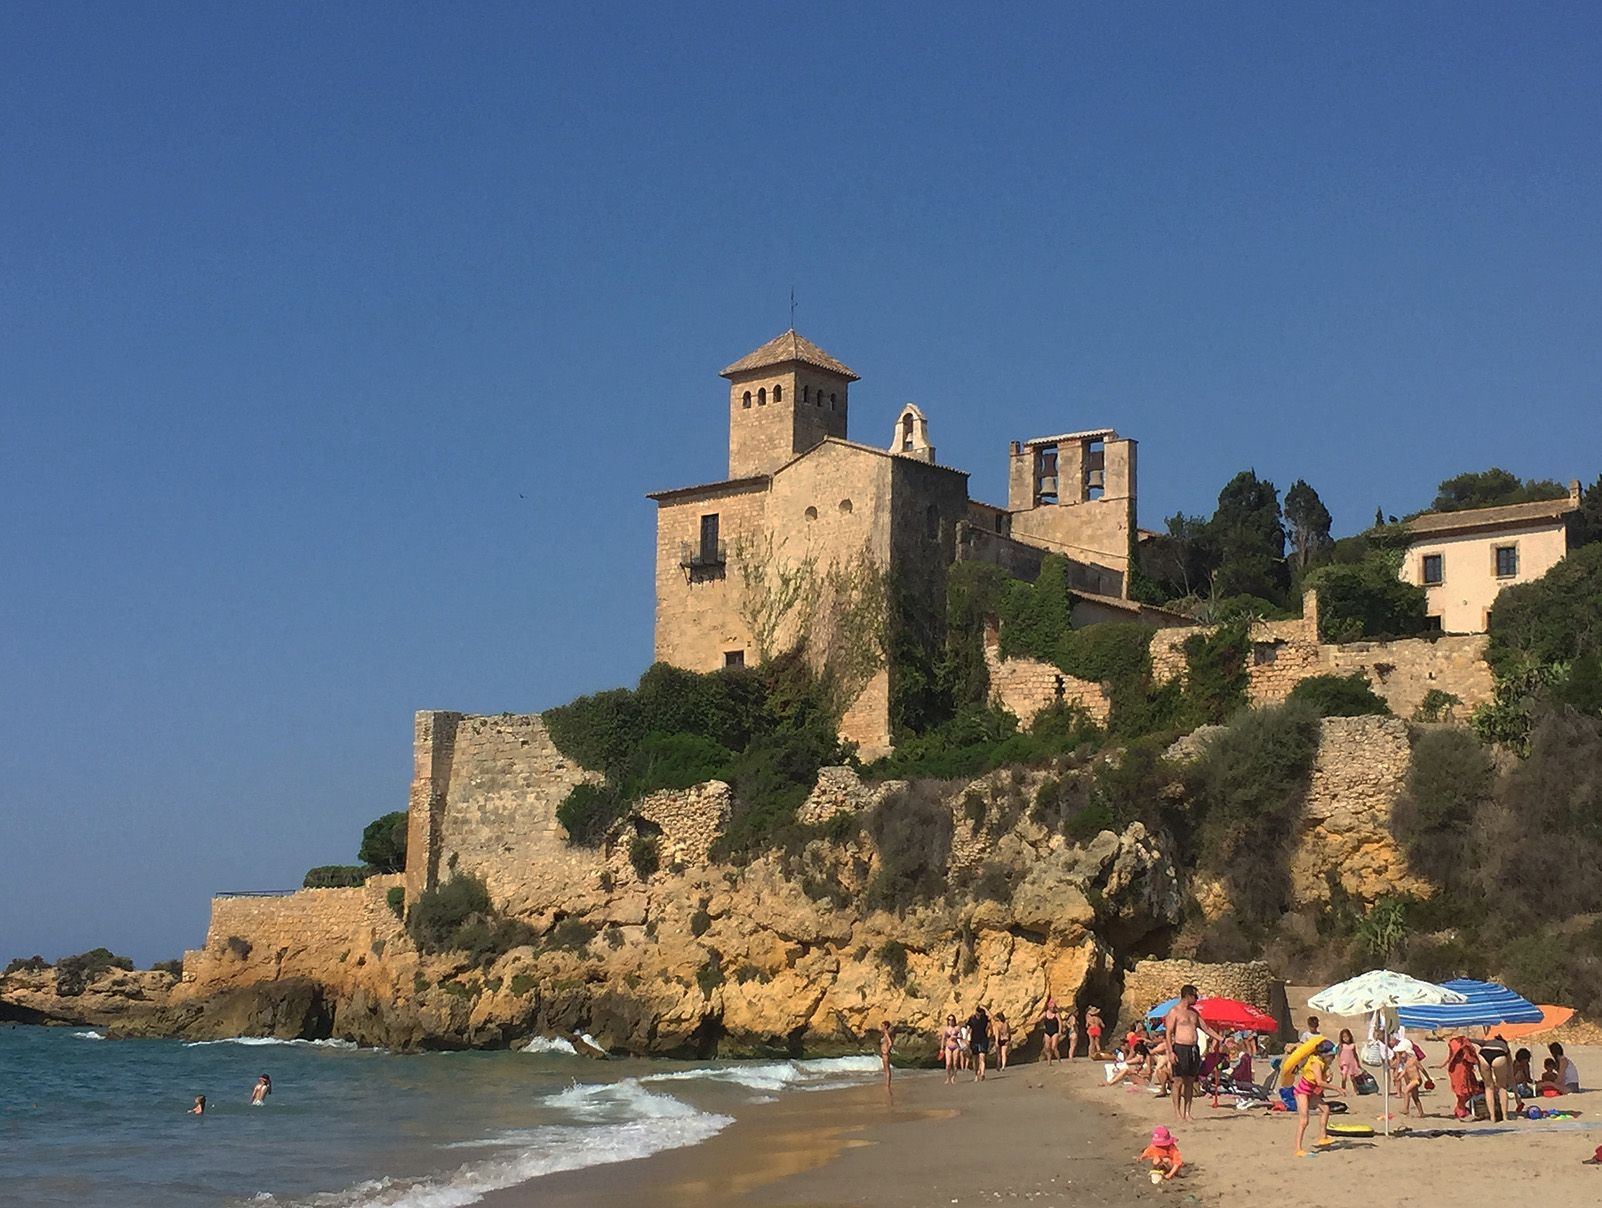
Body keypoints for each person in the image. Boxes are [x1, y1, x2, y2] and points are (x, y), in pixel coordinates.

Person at [1162, 985, 1222, 1122]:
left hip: (1193, 1049)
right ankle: (1177, 1113)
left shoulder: (1194, 1013)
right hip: (1180, 1048)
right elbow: (1168, 1033)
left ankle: (1187, 1112)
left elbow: (1206, 1028)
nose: (1197, 998)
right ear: (1187, 995)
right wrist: (1171, 1052)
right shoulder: (1174, 1012)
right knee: (1178, 1081)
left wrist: (1221, 1038)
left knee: (1190, 1081)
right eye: (1195, 996)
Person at [1293, 1044, 1339, 1157]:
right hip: (1302, 1092)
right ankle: (1298, 1149)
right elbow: (1319, 1082)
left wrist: (1328, 1077)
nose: (1333, 1059)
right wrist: (1337, 1088)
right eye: (1332, 1057)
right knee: (1304, 1121)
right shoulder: (1316, 1063)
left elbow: (1319, 1081)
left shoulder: (1321, 1062)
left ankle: (1322, 1137)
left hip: (1310, 1092)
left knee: (1325, 1109)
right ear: (1325, 1055)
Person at [1477, 1034, 1513, 1122]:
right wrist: (1516, 1094)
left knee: (1488, 1087)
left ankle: (1492, 1117)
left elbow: (1478, 1041)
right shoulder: (1505, 1046)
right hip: (1499, 1055)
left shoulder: (1488, 1041)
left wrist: (1467, 1039)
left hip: (1483, 1054)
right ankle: (1505, 1116)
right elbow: (1511, 1073)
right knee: (1502, 1087)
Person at [967, 1005, 992, 1082]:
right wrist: (966, 1039)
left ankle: (982, 1073)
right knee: (975, 1060)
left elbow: (991, 1017)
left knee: (982, 1057)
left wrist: (985, 1007)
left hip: (983, 1040)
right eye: (978, 1012)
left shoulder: (984, 1018)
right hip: (974, 1040)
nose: (979, 1014)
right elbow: (968, 1029)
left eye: (980, 1012)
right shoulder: (971, 1019)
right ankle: (976, 1074)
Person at [942, 1015, 962, 1085]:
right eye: (949, 1020)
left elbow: (961, 1037)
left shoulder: (957, 1028)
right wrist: (942, 1048)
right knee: (948, 1064)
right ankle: (948, 1078)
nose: (951, 1021)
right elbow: (943, 1038)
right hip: (948, 1046)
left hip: (956, 1046)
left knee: (955, 1063)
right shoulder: (946, 1028)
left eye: (952, 1020)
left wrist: (956, 1037)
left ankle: (953, 1078)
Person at [1039, 999, 1062, 1063]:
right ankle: (1049, 1061)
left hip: (1055, 1032)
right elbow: (1039, 1019)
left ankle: (1059, 1060)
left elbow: (1060, 1022)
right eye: (1051, 1007)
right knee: (1047, 1047)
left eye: (1053, 1007)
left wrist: (1060, 1031)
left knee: (1054, 1047)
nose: (1052, 1008)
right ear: (1048, 1007)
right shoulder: (1045, 1013)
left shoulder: (1056, 1014)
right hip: (1047, 1032)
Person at [879, 1020, 894, 1090]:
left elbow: (890, 1043)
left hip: (885, 1054)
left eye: (882, 1026)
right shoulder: (885, 1034)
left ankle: (887, 1085)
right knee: (886, 1069)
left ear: (886, 1026)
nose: (881, 1027)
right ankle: (887, 1083)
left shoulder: (886, 1034)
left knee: (887, 1070)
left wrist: (887, 1051)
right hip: (884, 1054)